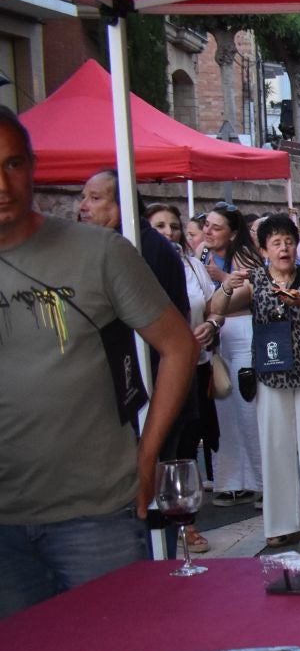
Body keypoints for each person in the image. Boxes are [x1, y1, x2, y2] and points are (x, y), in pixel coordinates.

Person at [0, 109, 197, 619]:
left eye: (13, 163)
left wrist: (148, 454)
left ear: (33, 166)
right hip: (4, 527)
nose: (2, 183)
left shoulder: (99, 253)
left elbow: (178, 346)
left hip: (96, 515)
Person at [208, 213, 300, 548]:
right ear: (264, 250)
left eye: (288, 241)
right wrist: (225, 288)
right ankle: (283, 523)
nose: (284, 248)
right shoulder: (255, 281)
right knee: (275, 445)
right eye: (276, 243)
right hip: (272, 372)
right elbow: (216, 308)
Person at [145, 202, 218, 554]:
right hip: (157, 369)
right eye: (160, 226)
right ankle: (170, 527)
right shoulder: (141, 265)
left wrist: (212, 324)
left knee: (187, 446)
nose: (170, 232)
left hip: (196, 364)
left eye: (174, 226)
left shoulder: (191, 265)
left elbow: (211, 304)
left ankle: (187, 524)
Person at [197, 202, 263, 506]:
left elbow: (245, 293)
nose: (208, 231)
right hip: (216, 340)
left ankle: (263, 481)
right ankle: (232, 481)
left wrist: (219, 284)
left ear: (233, 232)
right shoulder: (201, 256)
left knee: (249, 410)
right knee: (223, 411)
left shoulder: (243, 256)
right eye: (206, 225)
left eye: (216, 226)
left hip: (241, 336)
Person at [76, 168, 188, 320]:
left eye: (95, 198)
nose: (83, 206)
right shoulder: (104, 241)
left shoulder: (138, 245)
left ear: (122, 204)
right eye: (83, 197)